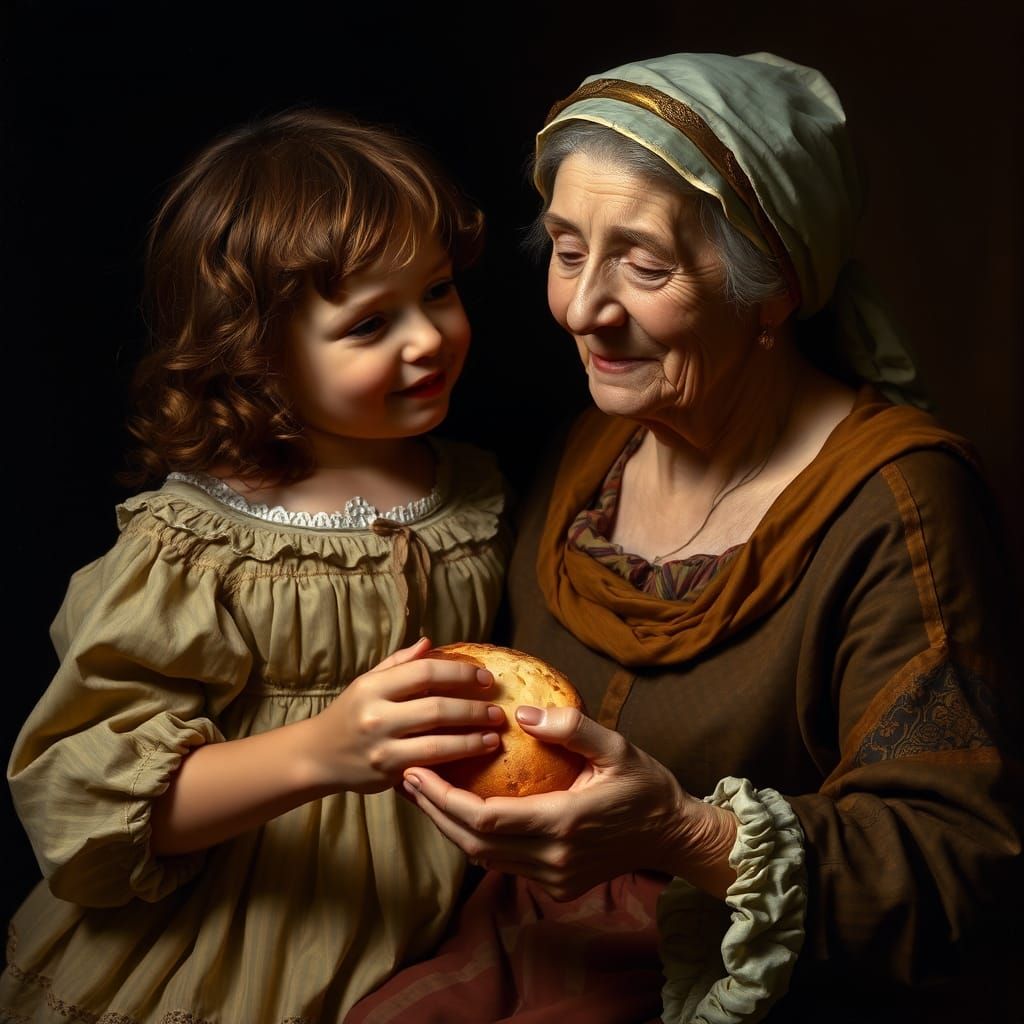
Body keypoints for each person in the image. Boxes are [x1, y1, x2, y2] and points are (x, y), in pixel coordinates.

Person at [345, 53, 1022, 1023]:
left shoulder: (901, 505)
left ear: (773, 288)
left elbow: (959, 871)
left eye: (645, 265)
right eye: (568, 251)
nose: (584, 310)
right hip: (513, 944)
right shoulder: (594, 445)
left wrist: (683, 832)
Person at [1, 109, 512, 1022]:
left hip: (451, 921)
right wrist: (324, 749)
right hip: (246, 938)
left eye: (436, 290)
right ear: (255, 353)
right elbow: (83, 803)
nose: (429, 338)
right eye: (369, 323)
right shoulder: (196, 550)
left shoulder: (473, 489)